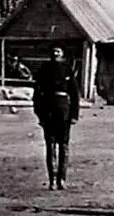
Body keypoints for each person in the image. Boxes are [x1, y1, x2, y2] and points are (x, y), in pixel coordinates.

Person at [29, 45, 80, 190]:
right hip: (48, 111)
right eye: (53, 52)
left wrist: (74, 115)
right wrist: (39, 113)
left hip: (64, 112)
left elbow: (75, 95)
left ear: (62, 54)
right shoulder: (44, 70)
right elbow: (37, 94)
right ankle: (52, 179)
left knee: (64, 146)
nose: (55, 54)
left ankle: (62, 179)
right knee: (50, 146)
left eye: (58, 51)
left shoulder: (67, 69)